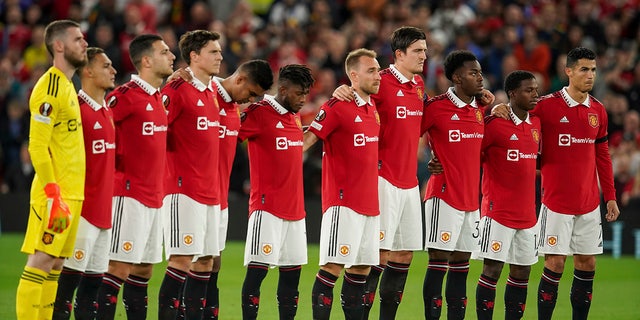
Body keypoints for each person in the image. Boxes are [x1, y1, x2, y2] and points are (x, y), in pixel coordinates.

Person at [532, 47, 618, 320]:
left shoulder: (599, 111)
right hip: (556, 203)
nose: (590, 75)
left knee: (587, 263)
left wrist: (611, 196)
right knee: (555, 263)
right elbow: (520, 128)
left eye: (593, 69)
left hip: (589, 203)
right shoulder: (545, 106)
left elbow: (602, 156)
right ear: (568, 71)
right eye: (584, 69)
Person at [95, 34, 175, 320]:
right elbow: (99, 128)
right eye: (165, 52)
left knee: (143, 270)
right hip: (129, 194)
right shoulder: (125, 96)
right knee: (117, 267)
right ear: (147, 61)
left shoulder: (157, 99)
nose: (172, 56)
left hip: (155, 198)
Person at [15, 19, 87, 320]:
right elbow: (36, 146)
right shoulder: (50, 86)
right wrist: (52, 193)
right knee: (42, 260)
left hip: (71, 194)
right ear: (59, 45)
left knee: (56, 264)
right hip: (55, 194)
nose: (84, 43)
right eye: (78, 39)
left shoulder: (69, 85)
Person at [304, 48, 381, 320]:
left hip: (370, 205)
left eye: (378, 69)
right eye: (371, 70)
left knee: (360, 270)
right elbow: (307, 140)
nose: (378, 75)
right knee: (331, 268)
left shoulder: (373, 108)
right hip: (343, 203)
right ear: (354, 76)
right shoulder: (337, 106)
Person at [238, 64, 314, 320]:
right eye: (298, 93)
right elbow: (228, 137)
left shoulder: (293, 116)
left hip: (296, 211)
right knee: (257, 275)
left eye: (306, 94)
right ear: (282, 89)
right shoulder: (259, 113)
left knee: (292, 279)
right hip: (266, 208)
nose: (303, 99)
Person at [156, 29, 223, 320]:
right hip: (182, 189)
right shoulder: (177, 89)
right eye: (213, 51)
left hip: (209, 191)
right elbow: (155, 126)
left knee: (206, 261)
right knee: (181, 259)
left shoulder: (211, 92)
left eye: (219, 51)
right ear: (194, 56)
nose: (220, 56)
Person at [52, 47, 117, 320]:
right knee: (66, 290)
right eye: (106, 66)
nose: (113, 70)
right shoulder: (75, 111)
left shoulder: (108, 112)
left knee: (92, 290)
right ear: (87, 71)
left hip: (104, 213)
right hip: (81, 212)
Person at [206, 59, 274, 319]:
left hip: (219, 196)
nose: (251, 101)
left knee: (213, 262)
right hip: (191, 193)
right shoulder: (204, 92)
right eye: (252, 94)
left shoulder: (234, 109)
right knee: (192, 262)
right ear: (240, 80)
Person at [420, 50, 485, 320]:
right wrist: (428, 161)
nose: (480, 78)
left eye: (480, 72)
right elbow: (406, 133)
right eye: (473, 73)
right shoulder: (435, 107)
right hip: (443, 196)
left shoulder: (480, 109)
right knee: (439, 263)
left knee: (461, 266)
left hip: (472, 200)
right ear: (457, 77)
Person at [474, 70, 540, 320]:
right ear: (512, 93)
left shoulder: (536, 124)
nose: (535, 95)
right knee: (492, 269)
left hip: (527, 215)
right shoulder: (494, 124)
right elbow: (471, 154)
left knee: (522, 273)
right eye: (528, 90)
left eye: (535, 89)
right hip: (497, 212)